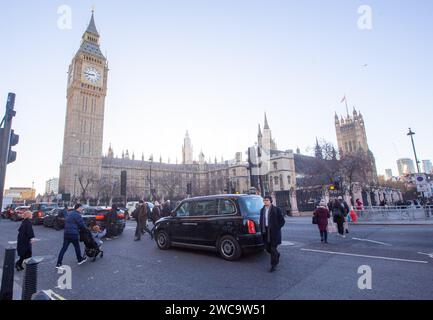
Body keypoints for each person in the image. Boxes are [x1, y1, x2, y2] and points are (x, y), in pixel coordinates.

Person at [260, 195, 285, 272]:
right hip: (265, 231)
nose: (265, 201)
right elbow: (261, 220)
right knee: (267, 248)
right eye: (264, 200)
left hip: (274, 232)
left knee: (273, 248)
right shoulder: (262, 210)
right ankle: (276, 255)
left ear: (270, 201)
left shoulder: (276, 209)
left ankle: (273, 265)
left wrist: (277, 228)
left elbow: (282, 221)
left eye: (267, 200)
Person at [56, 203, 87, 268]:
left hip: (66, 233)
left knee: (63, 248)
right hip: (73, 234)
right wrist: (86, 229)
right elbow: (82, 225)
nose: (82, 209)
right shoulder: (77, 215)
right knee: (77, 247)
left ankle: (58, 263)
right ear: (78, 208)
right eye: (81, 208)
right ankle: (79, 260)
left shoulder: (69, 213)